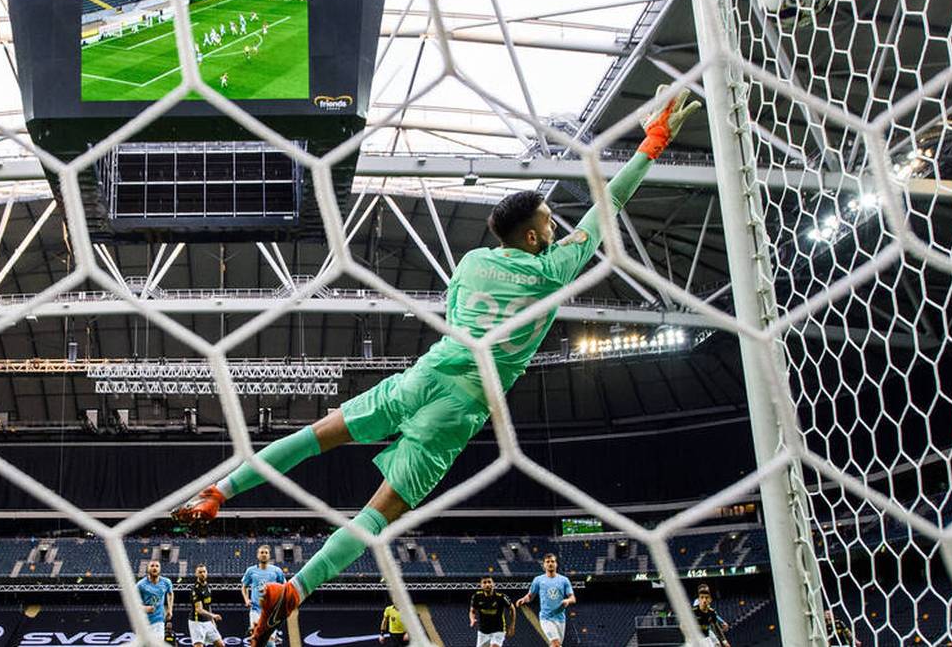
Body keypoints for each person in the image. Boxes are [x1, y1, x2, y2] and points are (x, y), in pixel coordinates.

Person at [172, 86, 702, 647]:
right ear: (531, 235)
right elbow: (606, 207)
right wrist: (654, 141)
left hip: (424, 374)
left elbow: (453, 312)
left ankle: (222, 490)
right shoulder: (555, 269)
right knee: (378, 512)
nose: (554, 227)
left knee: (315, 435)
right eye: (548, 222)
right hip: (464, 403)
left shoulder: (472, 262)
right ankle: (297, 589)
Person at [516, 554, 573, 647]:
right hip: (546, 618)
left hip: (560, 618)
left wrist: (568, 601)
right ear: (544, 565)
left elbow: (572, 598)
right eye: (548, 562)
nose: (550, 563)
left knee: (556, 645)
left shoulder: (564, 580)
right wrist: (524, 599)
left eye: (552, 561)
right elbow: (530, 596)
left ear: (556, 564)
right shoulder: (538, 580)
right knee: (556, 644)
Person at [242, 546, 286, 635]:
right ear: (258, 555)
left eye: (266, 553)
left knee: (270, 639)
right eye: (262, 552)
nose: (264, 555)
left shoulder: (277, 571)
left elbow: (285, 587)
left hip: (271, 610)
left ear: (269, 555)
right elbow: (244, 587)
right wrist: (246, 599)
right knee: (257, 636)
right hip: (255, 608)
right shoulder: (251, 571)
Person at [470, 576, 515, 647]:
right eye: (484, 582)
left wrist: (512, 625)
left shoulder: (501, 597)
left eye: (489, 582)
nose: (487, 584)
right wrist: (472, 619)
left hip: (498, 630)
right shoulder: (476, 597)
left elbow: (512, 608)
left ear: (493, 584)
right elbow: (472, 611)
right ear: (481, 585)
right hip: (483, 631)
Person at [186, 564, 224, 647]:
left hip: (207, 622)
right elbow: (199, 609)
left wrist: (212, 621)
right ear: (196, 574)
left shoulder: (207, 587)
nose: (202, 574)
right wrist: (213, 616)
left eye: (204, 571)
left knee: (221, 645)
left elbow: (208, 606)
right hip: (196, 623)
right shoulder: (195, 589)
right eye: (200, 572)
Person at [136, 560, 174, 641]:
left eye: (157, 566)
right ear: (148, 568)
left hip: (159, 621)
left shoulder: (166, 582)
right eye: (152, 566)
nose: (154, 568)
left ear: (160, 569)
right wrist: (144, 608)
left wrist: (170, 609)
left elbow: (170, 594)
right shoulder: (140, 585)